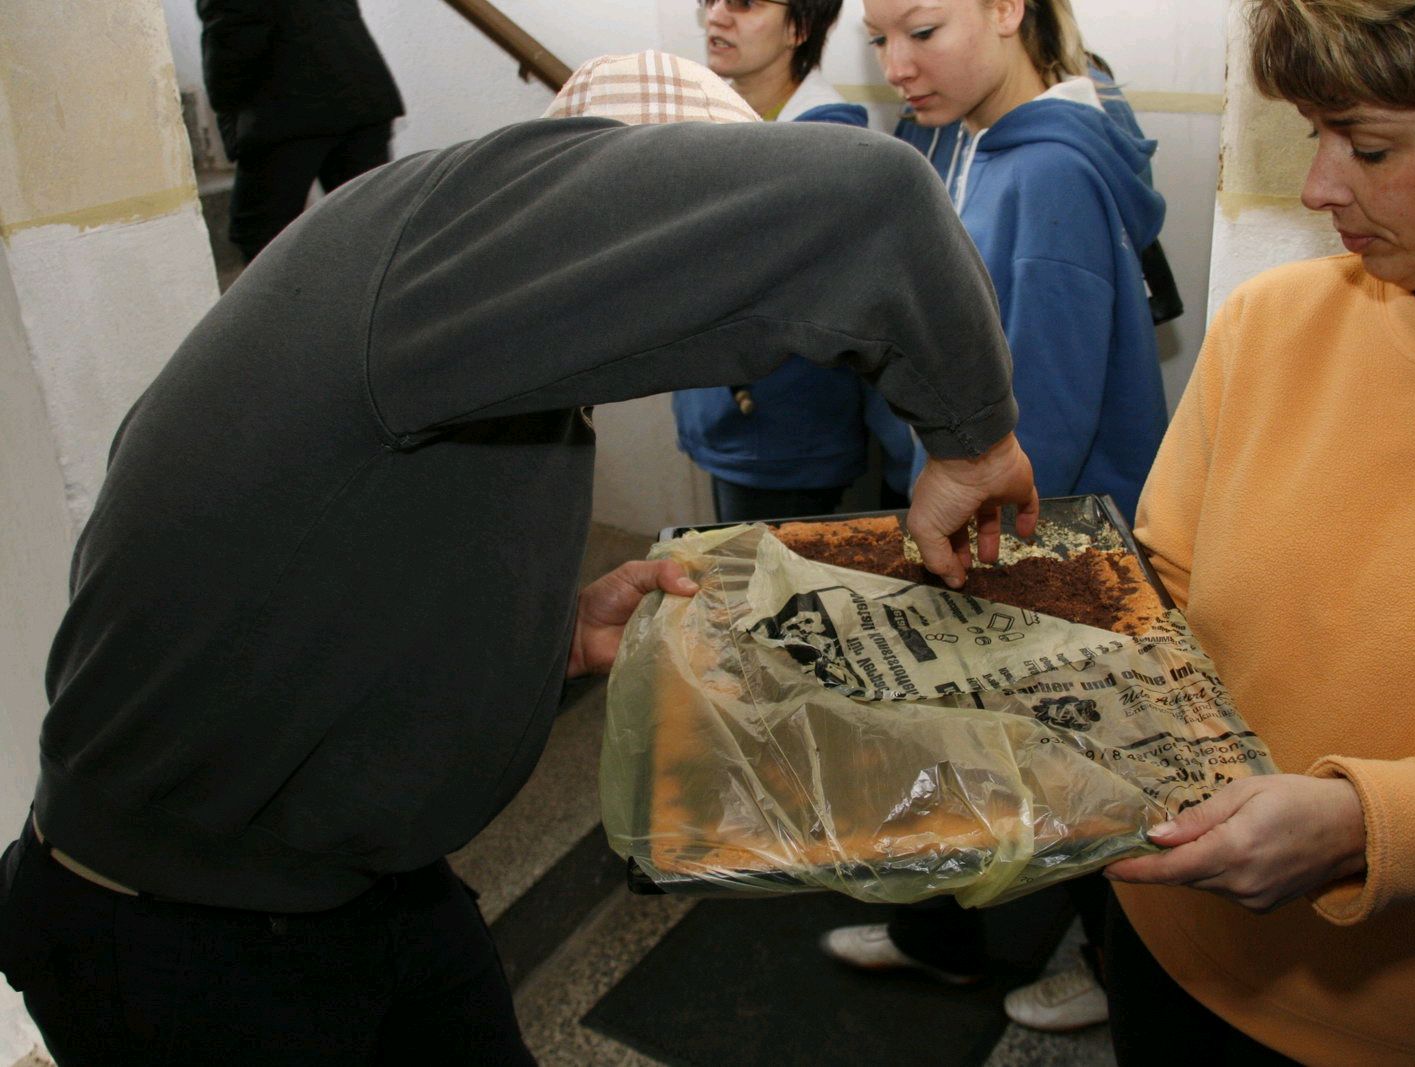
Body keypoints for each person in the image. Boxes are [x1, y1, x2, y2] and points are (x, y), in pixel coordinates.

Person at [0, 52, 1039, 1065]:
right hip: (178, 930)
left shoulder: (488, 341)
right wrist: (974, 442)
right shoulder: (427, 247)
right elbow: (874, 198)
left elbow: (330, 577)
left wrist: (545, 639)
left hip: (362, 889)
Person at [1098, 2, 1415, 1063]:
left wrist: (1364, 826)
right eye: (1312, 136)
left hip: (1411, 1015)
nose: (1320, 187)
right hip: (1169, 939)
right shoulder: (1269, 323)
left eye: (1367, 148)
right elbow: (1165, 593)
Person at [821, 0, 1169, 1034]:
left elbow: (1045, 407)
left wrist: (977, 535)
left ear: (1009, 10)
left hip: (1033, 524)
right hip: (985, 509)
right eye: (879, 40)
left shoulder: (1051, 169)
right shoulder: (967, 135)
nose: (897, 65)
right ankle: (942, 933)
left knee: (1083, 766)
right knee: (970, 741)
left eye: (922, 31)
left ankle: (1112, 967)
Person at [675, 0, 914, 521]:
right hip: (732, 418)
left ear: (799, 27)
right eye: (710, 0)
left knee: (764, 567)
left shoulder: (825, 140)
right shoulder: (727, 114)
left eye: (744, 3)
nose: (717, 17)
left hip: (783, 433)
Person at [198, 0, 405, 263]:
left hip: (284, 107)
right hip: (360, 92)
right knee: (372, 225)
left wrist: (229, 110)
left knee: (260, 234)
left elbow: (230, 41)